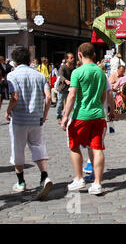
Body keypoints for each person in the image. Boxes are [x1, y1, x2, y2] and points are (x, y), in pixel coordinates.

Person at [61, 42, 111, 195]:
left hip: (81, 115)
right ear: (94, 55)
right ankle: (97, 183)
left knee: (74, 146)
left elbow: (72, 95)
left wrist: (65, 116)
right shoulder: (101, 73)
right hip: (98, 116)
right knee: (97, 148)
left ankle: (79, 178)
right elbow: (104, 96)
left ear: (79, 55)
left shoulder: (77, 72)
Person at [5, 47, 53, 200]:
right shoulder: (39, 76)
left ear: (15, 60)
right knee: (38, 147)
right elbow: (48, 97)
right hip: (36, 119)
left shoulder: (12, 75)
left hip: (19, 119)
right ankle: (44, 176)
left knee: (18, 149)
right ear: (29, 59)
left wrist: (8, 111)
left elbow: (15, 97)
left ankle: (21, 182)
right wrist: (44, 114)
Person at [83, 62, 116, 181]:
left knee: (90, 144)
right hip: (100, 114)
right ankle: (92, 169)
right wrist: (112, 110)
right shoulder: (103, 76)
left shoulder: (82, 73)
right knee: (97, 145)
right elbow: (110, 93)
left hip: (85, 114)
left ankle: (91, 167)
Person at [56, 53, 75, 123]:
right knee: (60, 102)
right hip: (63, 88)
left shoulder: (74, 67)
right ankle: (58, 116)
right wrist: (66, 80)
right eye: (71, 58)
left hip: (71, 88)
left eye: (73, 58)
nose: (73, 59)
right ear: (67, 59)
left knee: (72, 102)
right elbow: (60, 75)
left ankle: (73, 117)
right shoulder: (63, 67)